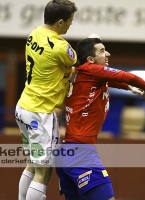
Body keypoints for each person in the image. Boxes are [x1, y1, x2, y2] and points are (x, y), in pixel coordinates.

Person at [55, 37, 145, 200]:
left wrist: (128, 87)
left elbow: (113, 81)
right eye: (102, 51)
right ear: (90, 60)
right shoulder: (91, 70)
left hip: (67, 152)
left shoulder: (86, 74)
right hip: (81, 152)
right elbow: (128, 77)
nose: (108, 54)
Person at [15, 1, 78, 200]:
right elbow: (75, 60)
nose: (70, 25)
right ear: (60, 22)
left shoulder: (34, 33)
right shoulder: (61, 47)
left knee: (32, 165)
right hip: (40, 113)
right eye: (70, 21)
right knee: (44, 172)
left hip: (23, 107)